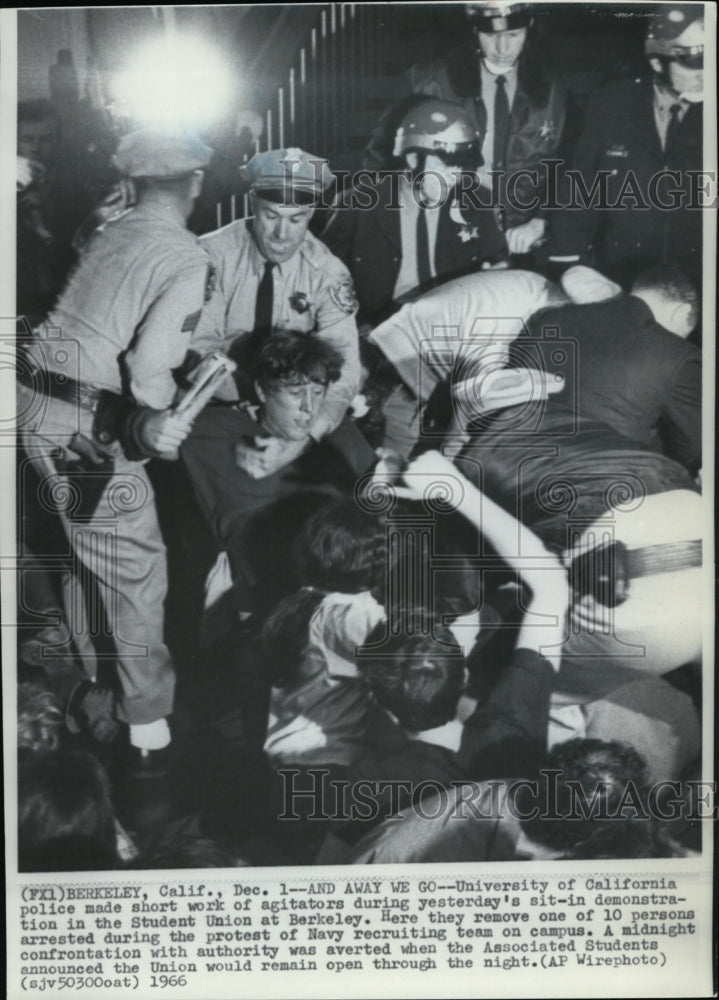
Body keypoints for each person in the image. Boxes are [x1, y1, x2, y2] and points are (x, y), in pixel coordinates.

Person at [17, 125, 216, 772]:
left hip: (33, 404)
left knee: (84, 552)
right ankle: (147, 729)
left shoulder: (113, 231)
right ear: (195, 184)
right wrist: (157, 424)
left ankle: (96, 677)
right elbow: (148, 372)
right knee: (136, 569)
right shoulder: (184, 255)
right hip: (85, 429)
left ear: (133, 183)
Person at [189, 147, 362, 479]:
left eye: (296, 219)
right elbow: (198, 348)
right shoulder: (212, 255)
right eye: (271, 216)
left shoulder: (327, 273)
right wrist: (250, 397)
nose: (282, 235)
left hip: (292, 413)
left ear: (311, 215)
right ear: (253, 205)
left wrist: (301, 442)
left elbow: (343, 375)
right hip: (217, 401)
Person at [180, 329, 376, 618]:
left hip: (348, 588)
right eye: (295, 393)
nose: (309, 408)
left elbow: (384, 499)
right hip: (265, 601)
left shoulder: (341, 434)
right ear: (261, 391)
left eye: (318, 392)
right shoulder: (212, 431)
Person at [547, 4, 705, 287]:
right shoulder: (610, 106)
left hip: (697, 280)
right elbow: (579, 191)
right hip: (625, 277)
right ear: (657, 61)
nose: (705, 72)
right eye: (693, 62)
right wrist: (567, 268)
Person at [321, 97, 508, 328]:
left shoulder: (477, 201)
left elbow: (498, 264)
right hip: (378, 333)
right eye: (445, 164)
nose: (455, 175)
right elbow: (323, 282)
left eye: (461, 165)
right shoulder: (356, 206)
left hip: (453, 327)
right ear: (411, 159)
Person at [405, 1, 566, 255]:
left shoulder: (552, 89)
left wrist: (541, 220)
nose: (502, 48)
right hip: (453, 235)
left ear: (530, 28)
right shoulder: (432, 82)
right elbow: (390, 165)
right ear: (474, 31)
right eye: (491, 35)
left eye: (513, 35)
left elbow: (567, 165)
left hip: (525, 241)